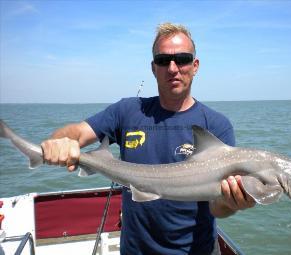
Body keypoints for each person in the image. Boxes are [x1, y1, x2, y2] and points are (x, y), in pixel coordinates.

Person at [41, 22, 255, 255]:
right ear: (153, 68)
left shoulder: (215, 126)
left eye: (182, 59)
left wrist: (231, 203)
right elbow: (78, 133)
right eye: (163, 60)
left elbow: (218, 208)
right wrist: (61, 141)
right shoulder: (128, 111)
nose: (173, 68)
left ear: (195, 66)